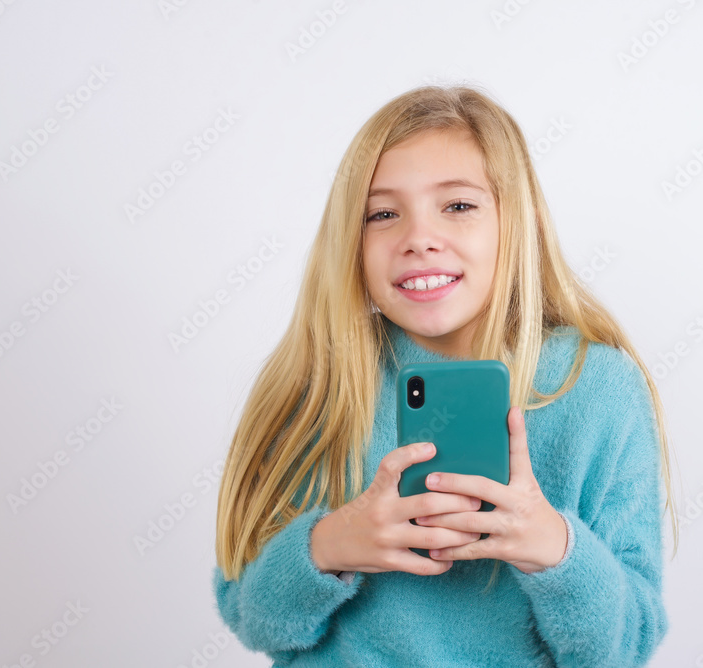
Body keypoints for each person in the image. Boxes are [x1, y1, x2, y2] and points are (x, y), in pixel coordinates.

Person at [213, 84, 679, 667]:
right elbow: (252, 618)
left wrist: (555, 549)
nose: (418, 240)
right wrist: (330, 545)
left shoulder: (598, 388)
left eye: (458, 206)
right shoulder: (320, 382)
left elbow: (623, 650)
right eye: (383, 214)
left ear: (519, 222)